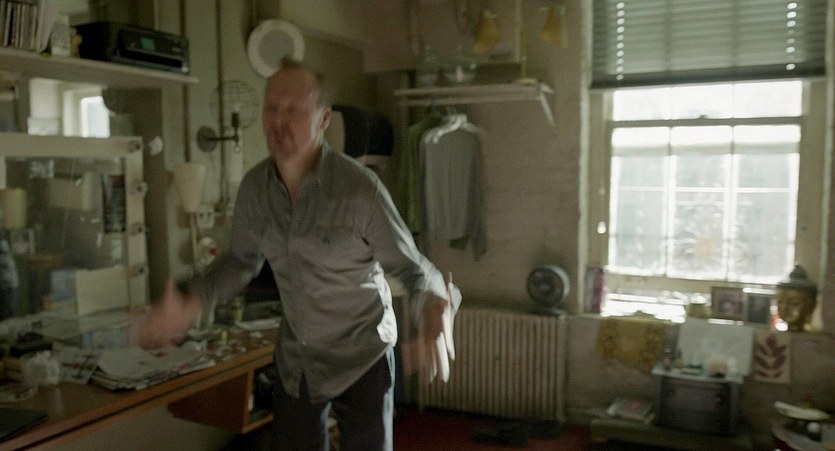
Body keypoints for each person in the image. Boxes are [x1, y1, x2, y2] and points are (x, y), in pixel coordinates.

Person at [135, 57, 460, 451]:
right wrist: (192, 299)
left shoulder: (360, 191)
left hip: (363, 354)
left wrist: (433, 305)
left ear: (323, 119)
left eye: (294, 110)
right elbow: (241, 261)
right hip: (299, 359)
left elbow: (415, 269)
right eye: (272, 108)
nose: (279, 120)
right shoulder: (255, 190)